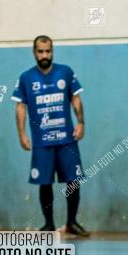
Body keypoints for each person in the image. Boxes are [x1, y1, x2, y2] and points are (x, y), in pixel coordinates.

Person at [12, 35, 89, 235]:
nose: (45, 55)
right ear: (34, 52)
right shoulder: (26, 78)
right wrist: (21, 134)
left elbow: (76, 98)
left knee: (73, 181)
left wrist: (80, 122)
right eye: (41, 51)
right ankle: (49, 224)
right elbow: (20, 106)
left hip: (66, 139)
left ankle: (72, 222)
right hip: (41, 141)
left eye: (48, 51)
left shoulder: (65, 72)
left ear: (52, 51)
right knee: (44, 182)